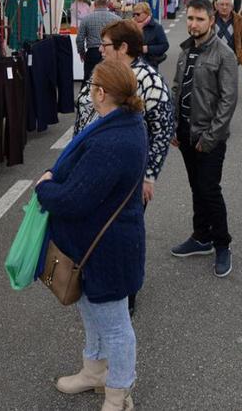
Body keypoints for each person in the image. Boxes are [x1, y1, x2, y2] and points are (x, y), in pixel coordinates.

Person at [37, 60, 147, 411]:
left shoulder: (113, 140)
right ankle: (94, 371)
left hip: (106, 247)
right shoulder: (122, 122)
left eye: (91, 85)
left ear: (101, 92)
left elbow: (75, 198)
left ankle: (118, 393)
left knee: (114, 323)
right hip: (96, 244)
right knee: (92, 311)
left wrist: (45, 189)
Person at [73, 19, 176, 316]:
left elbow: (161, 131)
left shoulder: (149, 81)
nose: (99, 49)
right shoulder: (99, 72)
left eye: (105, 45)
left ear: (123, 48)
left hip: (126, 177)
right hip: (91, 169)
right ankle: (98, 283)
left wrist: (149, 177)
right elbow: (82, 115)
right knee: (96, 231)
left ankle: (126, 294)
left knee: (122, 234)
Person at [170, 0, 238, 278]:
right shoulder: (187, 50)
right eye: (190, 18)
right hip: (185, 132)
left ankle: (222, 244)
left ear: (211, 20)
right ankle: (201, 237)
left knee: (209, 190)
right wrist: (173, 125)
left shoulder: (224, 54)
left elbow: (228, 101)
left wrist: (210, 137)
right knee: (196, 187)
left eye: (199, 19)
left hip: (209, 137)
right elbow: (177, 88)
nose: (194, 24)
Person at [77, 0, 121, 80]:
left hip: (92, 52)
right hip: (111, 52)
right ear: (107, 4)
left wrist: (82, 53)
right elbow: (121, 37)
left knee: (89, 80)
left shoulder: (86, 19)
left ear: (95, 4)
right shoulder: (117, 19)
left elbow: (80, 39)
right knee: (110, 80)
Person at [213, 0, 242, 71]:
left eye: (227, 4)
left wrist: (241, 56)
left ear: (232, 6)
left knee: (229, 83)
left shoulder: (240, 20)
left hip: (232, 61)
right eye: (222, 4)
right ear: (217, 6)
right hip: (213, 61)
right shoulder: (210, 19)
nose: (224, 7)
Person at [132, 2, 169, 70]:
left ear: (147, 13)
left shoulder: (156, 27)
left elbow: (165, 45)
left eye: (138, 14)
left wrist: (148, 49)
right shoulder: (131, 26)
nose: (135, 16)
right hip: (133, 63)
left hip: (150, 64)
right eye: (133, 14)